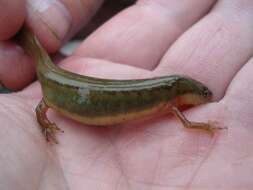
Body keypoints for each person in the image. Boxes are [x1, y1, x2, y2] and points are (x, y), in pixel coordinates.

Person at [0, 0, 253, 189]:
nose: (206, 98)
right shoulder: (169, 99)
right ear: (187, 92)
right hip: (58, 89)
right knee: (45, 97)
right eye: (204, 93)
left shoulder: (169, 100)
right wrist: (43, 124)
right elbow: (188, 123)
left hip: (59, 87)